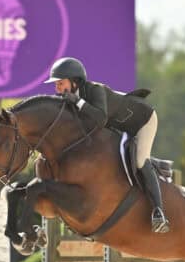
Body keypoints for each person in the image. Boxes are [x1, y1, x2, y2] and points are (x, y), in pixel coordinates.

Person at [44, 57, 170, 233]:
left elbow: (100, 119)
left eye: (60, 83)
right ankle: (156, 164)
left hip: (142, 121)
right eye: (56, 84)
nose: (57, 89)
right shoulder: (70, 99)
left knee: (140, 161)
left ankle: (159, 212)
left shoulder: (96, 90)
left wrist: (78, 102)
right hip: (119, 126)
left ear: (74, 82)